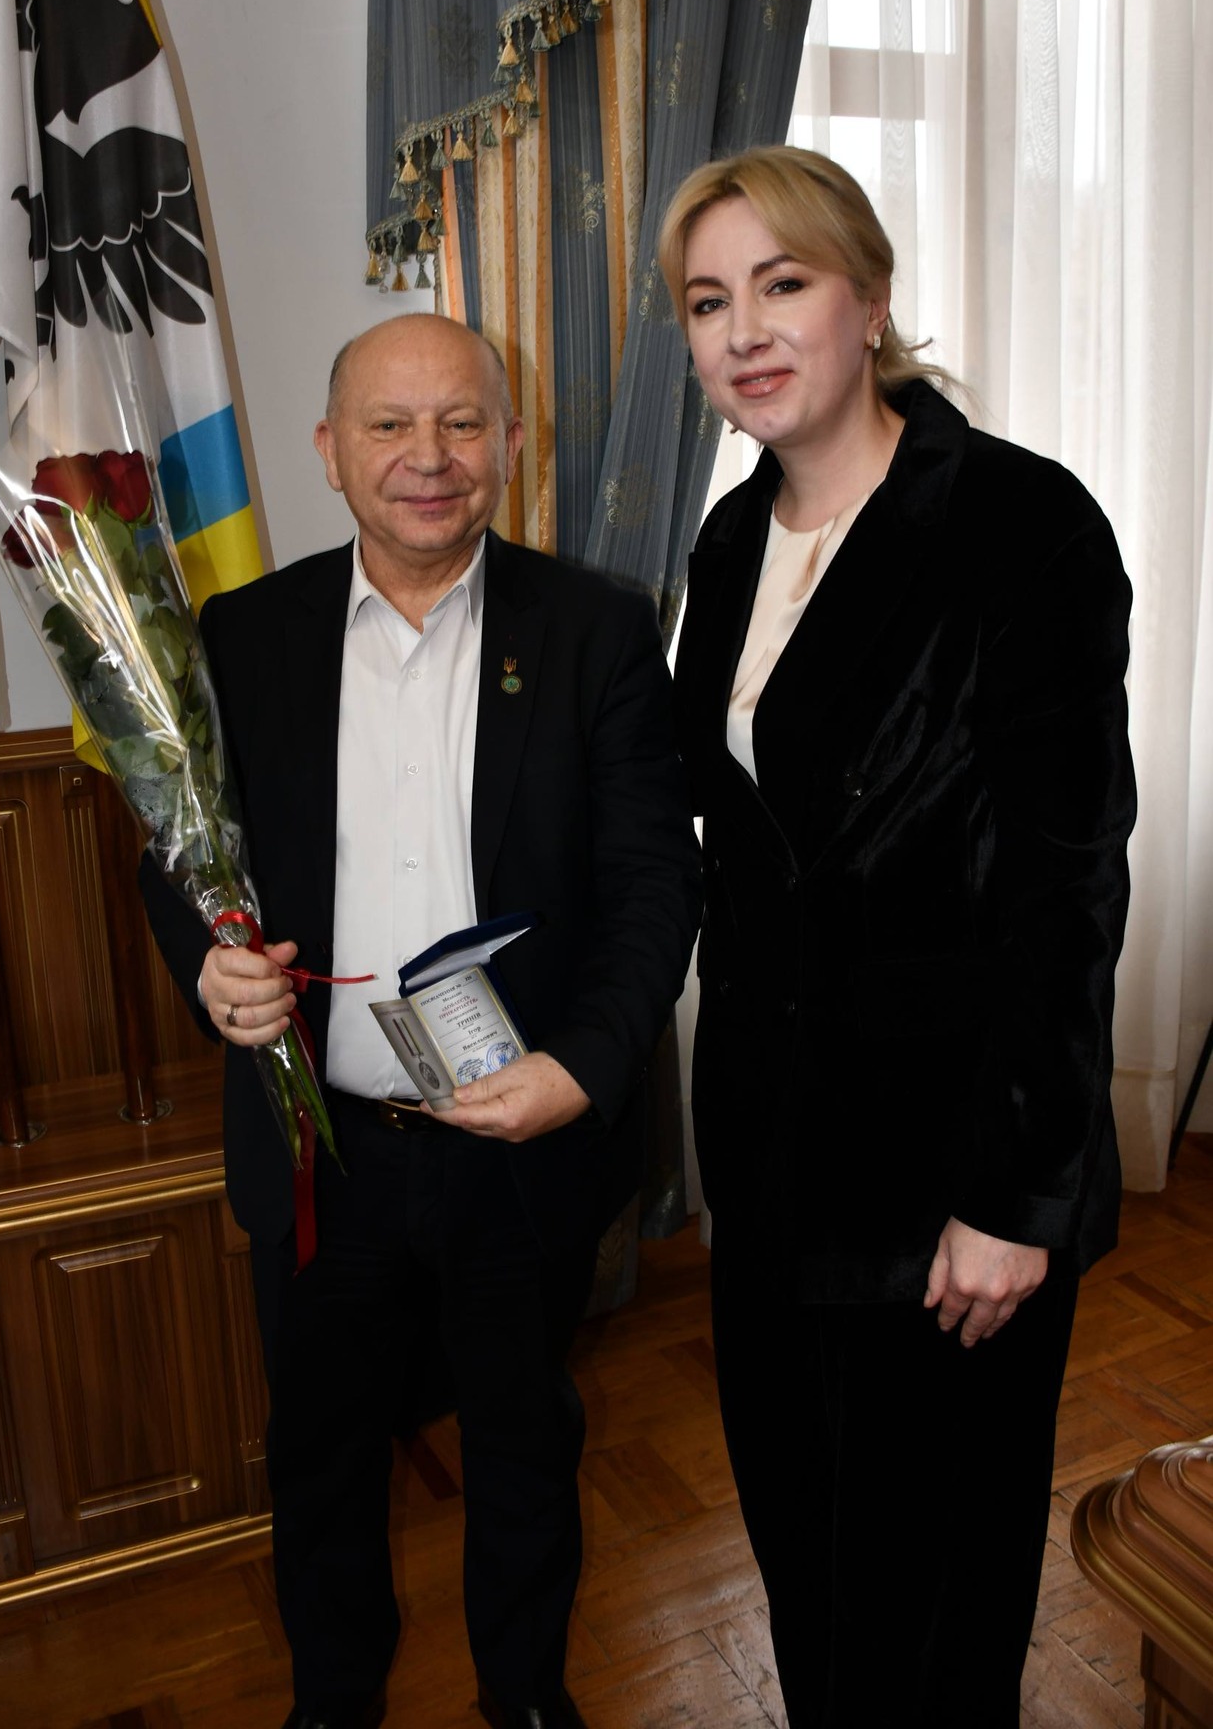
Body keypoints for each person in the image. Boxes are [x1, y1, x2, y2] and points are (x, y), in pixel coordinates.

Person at [140, 314, 701, 1729]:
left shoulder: (597, 631)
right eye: (389, 425)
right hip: (319, 1148)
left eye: (460, 422)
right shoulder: (243, 636)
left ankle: (525, 1699)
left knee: (523, 1444)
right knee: (321, 1458)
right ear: (329, 452)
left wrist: (582, 1068)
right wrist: (209, 968)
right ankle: (333, 1704)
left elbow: (654, 887)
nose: (428, 456)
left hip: (519, 1135)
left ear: (511, 444)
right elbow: (180, 854)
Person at [662, 146, 1136, 1728]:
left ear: (867, 300)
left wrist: (1012, 1195)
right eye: (706, 301)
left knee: (937, 1602)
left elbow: (1065, 884)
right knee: (809, 1570)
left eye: (781, 283)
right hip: (770, 1157)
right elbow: (736, 849)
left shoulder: (1016, 522)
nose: (744, 330)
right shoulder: (727, 542)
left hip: (952, 1171)